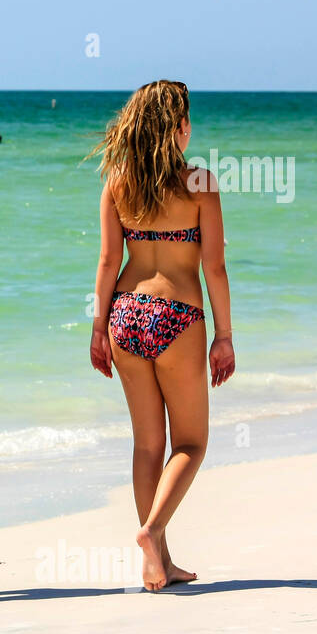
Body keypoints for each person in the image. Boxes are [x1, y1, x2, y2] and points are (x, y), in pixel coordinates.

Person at [87, 80, 235, 591]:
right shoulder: (200, 184)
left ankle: (159, 560)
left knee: (148, 445)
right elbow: (213, 268)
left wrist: (98, 327)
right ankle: (152, 533)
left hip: (126, 312)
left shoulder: (118, 184)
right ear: (179, 128)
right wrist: (225, 335)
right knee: (190, 442)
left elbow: (109, 261)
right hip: (177, 315)